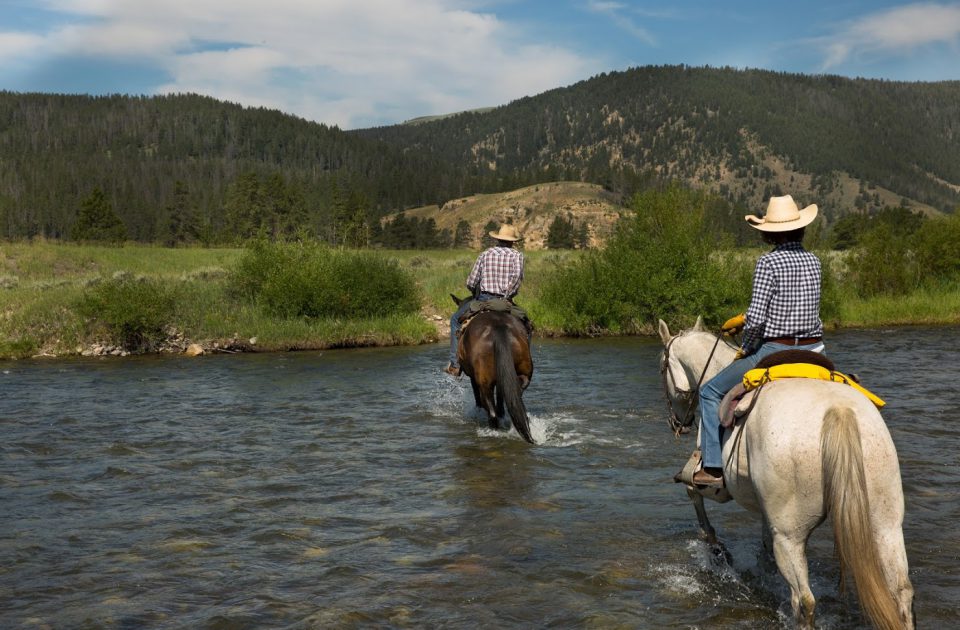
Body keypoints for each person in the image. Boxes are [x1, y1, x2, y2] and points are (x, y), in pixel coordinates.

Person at [693, 195, 825, 487]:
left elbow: (755, 319)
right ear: (800, 228)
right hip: (816, 349)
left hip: (775, 350)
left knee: (709, 391)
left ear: (768, 233)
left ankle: (713, 468)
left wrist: (747, 347)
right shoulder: (815, 261)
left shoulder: (768, 262)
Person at [445, 223, 524, 376]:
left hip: (483, 299)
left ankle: (455, 366)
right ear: (513, 241)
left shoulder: (485, 254)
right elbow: (516, 280)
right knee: (526, 325)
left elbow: (471, 281)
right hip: (505, 302)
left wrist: (475, 291)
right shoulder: (517, 256)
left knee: (455, 320)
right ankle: (523, 366)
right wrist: (507, 296)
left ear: (498, 239)